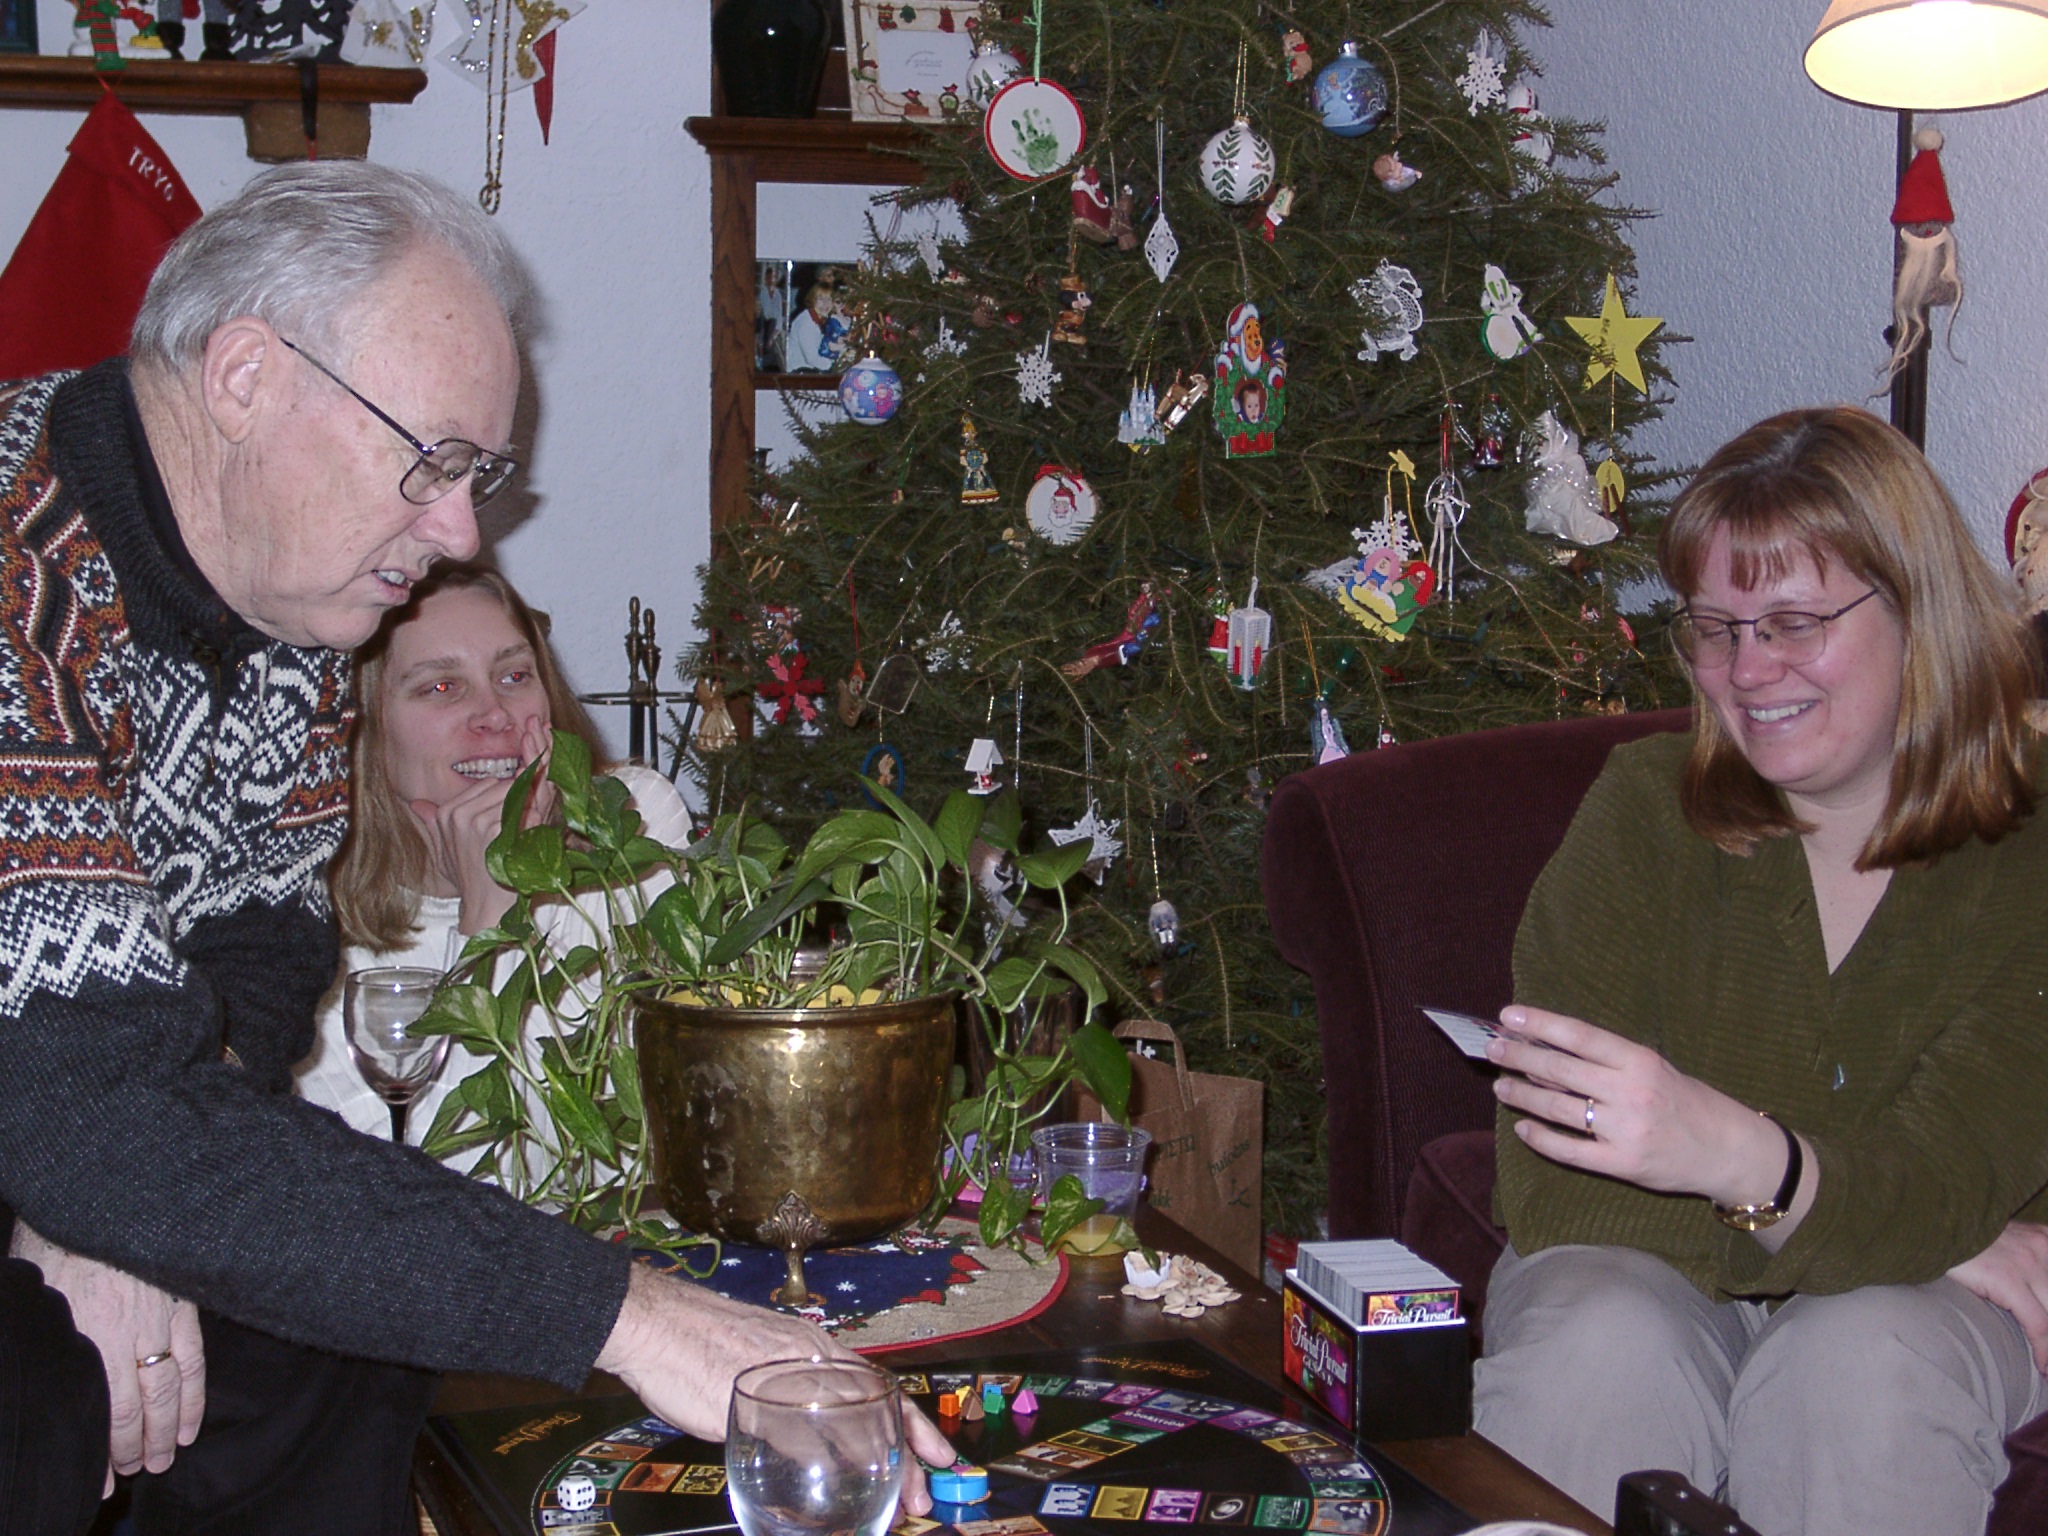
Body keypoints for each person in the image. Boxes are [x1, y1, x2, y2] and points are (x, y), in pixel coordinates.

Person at [0, 161, 951, 1531]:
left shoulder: (288, 606)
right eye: (430, 459)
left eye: (476, 473)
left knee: (338, 1337)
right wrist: (639, 1319)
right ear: (246, 376)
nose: (456, 531)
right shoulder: (23, 585)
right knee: (45, 1392)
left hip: (60, 1130)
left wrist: (110, 1208)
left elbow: (254, 965)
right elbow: (93, 1106)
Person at [1472, 405, 2048, 1536]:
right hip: (1718, 1272)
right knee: (1592, 1338)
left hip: (1920, 1317)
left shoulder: (2032, 850)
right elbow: (1552, 1186)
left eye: (1791, 622)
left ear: (1916, 609)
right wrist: (1883, 1224)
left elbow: (1946, 1172)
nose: (1746, 670)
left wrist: (1736, 1157)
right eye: (1714, 628)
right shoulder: (1642, 810)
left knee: (1858, 1361)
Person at [293, 565, 688, 1174]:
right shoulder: (312, 943)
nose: (495, 714)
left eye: (514, 676)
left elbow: (677, 1132)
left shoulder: (632, 824)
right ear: (364, 727)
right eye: (441, 687)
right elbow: (453, 1198)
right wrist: (492, 921)